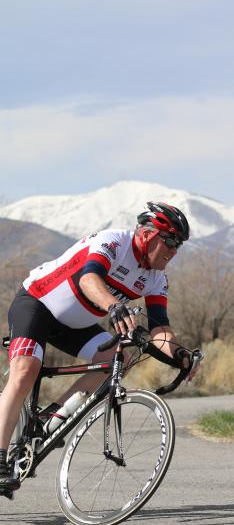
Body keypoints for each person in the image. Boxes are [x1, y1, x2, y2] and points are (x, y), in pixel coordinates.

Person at [0, 201, 200, 493]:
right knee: (26, 370)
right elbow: (89, 278)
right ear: (146, 235)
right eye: (169, 240)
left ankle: (50, 419)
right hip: (38, 304)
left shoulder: (157, 279)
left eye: (178, 244)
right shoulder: (113, 242)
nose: (173, 250)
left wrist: (180, 355)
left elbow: (159, 330)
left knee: (118, 357)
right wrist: (114, 306)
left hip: (74, 326)